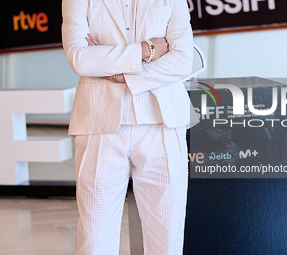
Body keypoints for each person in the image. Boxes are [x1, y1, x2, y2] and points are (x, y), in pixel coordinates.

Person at [62, 0, 199, 253]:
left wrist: (117, 72)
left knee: (166, 241)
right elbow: (80, 58)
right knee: (95, 240)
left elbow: (181, 60)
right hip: (99, 126)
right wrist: (146, 50)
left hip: (163, 125)